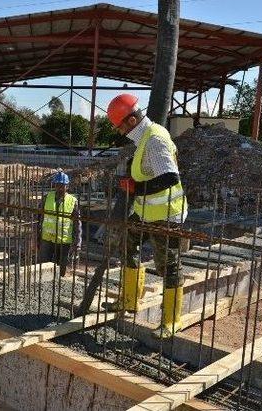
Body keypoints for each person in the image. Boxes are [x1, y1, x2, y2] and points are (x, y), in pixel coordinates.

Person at [81, 94, 188, 339]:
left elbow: (170, 178)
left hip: (166, 213)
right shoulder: (145, 139)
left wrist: (135, 188)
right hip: (145, 210)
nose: (119, 132)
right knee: (128, 246)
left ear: (130, 120)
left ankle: (172, 320)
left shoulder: (155, 139)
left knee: (167, 265)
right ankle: (129, 300)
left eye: (119, 126)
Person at [37, 171, 81, 277]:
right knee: (44, 267)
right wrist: (37, 237)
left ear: (67, 186)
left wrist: (78, 242)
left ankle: (59, 282)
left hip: (64, 241)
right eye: (57, 185)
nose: (60, 188)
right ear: (54, 185)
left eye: (62, 185)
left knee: (62, 267)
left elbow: (77, 224)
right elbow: (40, 219)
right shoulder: (46, 198)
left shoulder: (73, 201)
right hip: (47, 239)